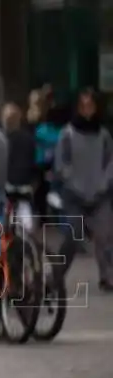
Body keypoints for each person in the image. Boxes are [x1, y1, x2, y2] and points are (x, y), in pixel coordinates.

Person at [55, 88, 113, 291]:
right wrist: (74, 182)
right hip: (75, 195)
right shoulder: (67, 134)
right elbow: (61, 164)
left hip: (99, 193)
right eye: (83, 106)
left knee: (105, 236)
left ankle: (108, 277)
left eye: (90, 106)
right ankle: (57, 275)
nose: (87, 110)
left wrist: (103, 183)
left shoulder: (103, 134)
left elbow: (110, 161)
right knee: (74, 235)